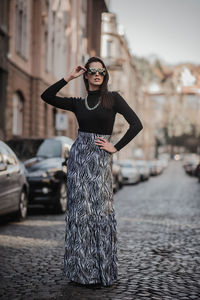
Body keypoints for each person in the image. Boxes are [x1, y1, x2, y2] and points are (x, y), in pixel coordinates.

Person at [41, 56, 143, 287]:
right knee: (79, 215)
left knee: (99, 213)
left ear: (105, 76)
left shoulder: (114, 98)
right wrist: (69, 77)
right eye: (92, 71)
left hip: (99, 160)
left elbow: (136, 124)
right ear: (86, 75)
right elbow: (46, 96)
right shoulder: (79, 102)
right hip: (78, 161)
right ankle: (80, 272)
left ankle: (100, 271)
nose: (97, 74)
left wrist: (115, 146)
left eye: (101, 71)